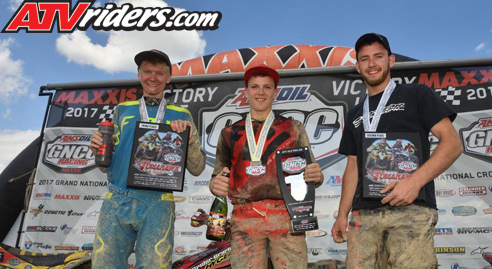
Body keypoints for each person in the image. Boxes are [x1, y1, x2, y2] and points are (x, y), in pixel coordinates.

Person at [331, 33, 462, 268]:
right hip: (364, 216)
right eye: (365, 59)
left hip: (410, 210)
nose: (372, 64)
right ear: (357, 66)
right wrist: (343, 214)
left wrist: (414, 182)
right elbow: (353, 165)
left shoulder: (417, 94)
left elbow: (452, 143)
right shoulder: (355, 113)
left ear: (391, 60)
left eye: (378, 57)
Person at [90, 49, 206, 268]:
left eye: (160, 73)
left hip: (158, 202)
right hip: (118, 198)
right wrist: (97, 148)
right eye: (147, 71)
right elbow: (104, 166)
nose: (153, 77)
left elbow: (198, 168)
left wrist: (188, 140)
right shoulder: (122, 110)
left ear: (169, 77)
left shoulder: (183, 115)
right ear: (139, 74)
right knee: (105, 264)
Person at [209, 64, 323, 268]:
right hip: (245, 218)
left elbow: (312, 174)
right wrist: (215, 184)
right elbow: (217, 176)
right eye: (254, 87)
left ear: (275, 92)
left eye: (267, 87)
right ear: (246, 92)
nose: (260, 92)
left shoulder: (293, 128)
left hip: (287, 217)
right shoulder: (229, 133)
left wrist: (316, 175)